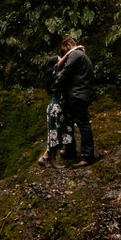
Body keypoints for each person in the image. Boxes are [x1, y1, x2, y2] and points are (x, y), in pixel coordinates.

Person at [53, 37, 96, 167]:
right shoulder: (81, 55)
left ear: (69, 45)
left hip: (78, 94)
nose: (64, 53)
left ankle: (87, 157)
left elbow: (65, 72)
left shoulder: (75, 54)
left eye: (64, 49)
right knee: (69, 122)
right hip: (79, 93)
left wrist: (55, 86)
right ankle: (70, 151)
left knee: (83, 125)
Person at [38, 56, 75, 167]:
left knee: (57, 132)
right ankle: (51, 160)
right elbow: (58, 65)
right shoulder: (56, 71)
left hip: (57, 106)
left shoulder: (56, 74)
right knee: (55, 133)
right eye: (60, 59)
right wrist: (73, 50)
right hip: (56, 107)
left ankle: (46, 158)